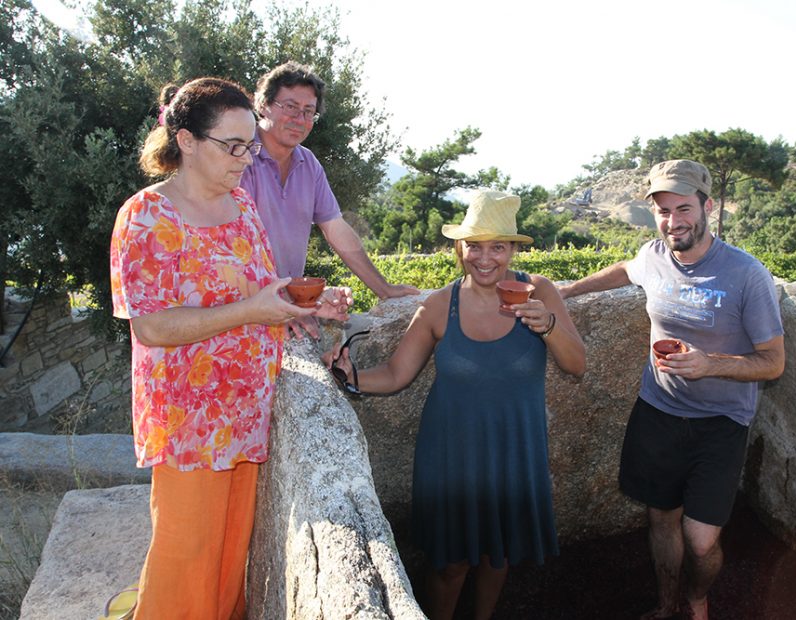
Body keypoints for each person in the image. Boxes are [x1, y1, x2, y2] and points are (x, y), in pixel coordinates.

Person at [109, 77, 350, 619]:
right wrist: (252, 311)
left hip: (245, 407)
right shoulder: (146, 216)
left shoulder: (241, 206)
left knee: (228, 552)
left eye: (250, 146)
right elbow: (152, 328)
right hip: (188, 418)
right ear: (188, 141)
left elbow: (261, 290)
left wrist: (310, 305)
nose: (247, 158)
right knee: (186, 552)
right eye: (233, 146)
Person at [324, 191, 586, 620]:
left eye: (498, 246)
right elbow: (395, 375)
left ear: (513, 249)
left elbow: (576, 365)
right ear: (459, 249)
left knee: (496, 557)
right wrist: (346, 377)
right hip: (451, 455)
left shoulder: (539, 291)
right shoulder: (438, 305)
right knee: (450, 566)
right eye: (474, 246)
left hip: (514, 450)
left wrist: (550, 325)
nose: (485, 258)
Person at [559, 160, 785, 620]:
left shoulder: (747, 274)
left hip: (721, 424)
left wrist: (710, 364)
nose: (672, 220)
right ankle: (665, 606)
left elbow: (773, 362)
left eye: (683, 208)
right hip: (658, 410)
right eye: (663, 211)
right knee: (661, 517)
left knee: (701, 542)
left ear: (708, 206)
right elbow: (625, 269)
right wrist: (565, 291)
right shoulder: (655, 255)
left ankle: (697, 600)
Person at [241, 61, 418, 337]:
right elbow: (231, 244)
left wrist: (384, 289)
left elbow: (337, 230)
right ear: (263, 105)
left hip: (287, 309)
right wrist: (276, 306)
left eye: (308, 111)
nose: (299, 118)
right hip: (244, 312)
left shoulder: (308, 164)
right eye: (289, 107)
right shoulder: (239, 156)